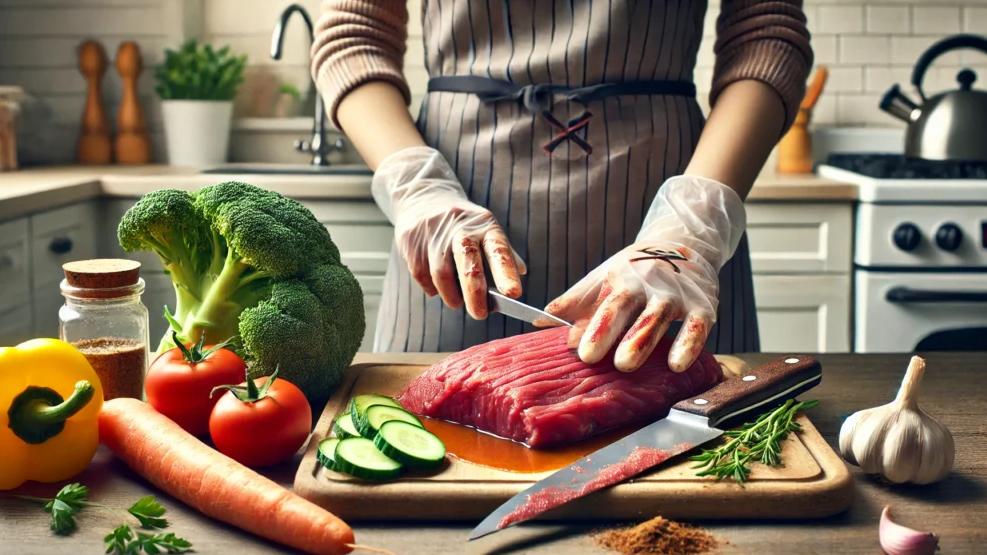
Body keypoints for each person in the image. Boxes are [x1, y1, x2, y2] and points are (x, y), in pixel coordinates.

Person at [311, 0, 813, 373]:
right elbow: (354, 37)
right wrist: (418, 187)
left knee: (705, 455)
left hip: (669, 206)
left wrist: (694, 224)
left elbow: (766, 35)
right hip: (456, 221)